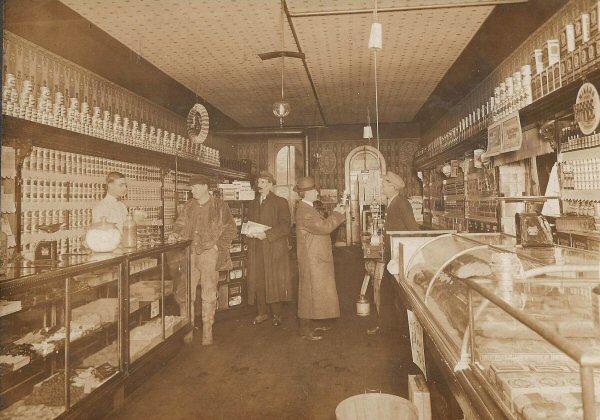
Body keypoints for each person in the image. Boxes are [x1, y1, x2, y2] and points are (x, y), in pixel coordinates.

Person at [169, 174, 237, 345]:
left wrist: (217, 246)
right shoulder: (189, 205)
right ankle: (189, 328)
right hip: (190, 253)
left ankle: (208, 329)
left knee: (208, 293)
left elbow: (231, 228)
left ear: (206, 186)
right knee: (187, 293)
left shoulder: (220, 205)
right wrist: (175, 232)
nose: (193, 190)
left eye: (196, 187)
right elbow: (180, 223)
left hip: (209, 254)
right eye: (191, 188)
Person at [294, 176, 346, 341]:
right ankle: (305, 330)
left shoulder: (309, 208)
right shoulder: (305, 210)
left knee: (317, 291)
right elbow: (324, 227)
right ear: (307, 193)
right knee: (309, 292)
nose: (317, 192)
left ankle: (315, 322)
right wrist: (338, 214)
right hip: (312, 259)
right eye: (314, 190)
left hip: (315, 257)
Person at [367, 171, 418, 336]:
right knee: (389, 292)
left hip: (401, 256)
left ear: (393, 186)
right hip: (393, 253)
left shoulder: (402, 203)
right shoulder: (392, 202)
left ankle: (398, 330)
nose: (382, 186)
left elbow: (414, 231)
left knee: (395, 294)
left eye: (384, 184)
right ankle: (389, 327)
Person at [245, 171, 292, 326]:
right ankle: (262, 313)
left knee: (275, 279)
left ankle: (277, 314)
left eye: (264, 182)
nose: (260, 185)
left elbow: (285, 226)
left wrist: (267, 235)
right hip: (257, 248)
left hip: (273, 247)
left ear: (271, 184)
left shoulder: (280, 202)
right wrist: (248, 231)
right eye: (258, 182)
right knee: (258, 279)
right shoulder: (252, 203)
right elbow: (250, 223)